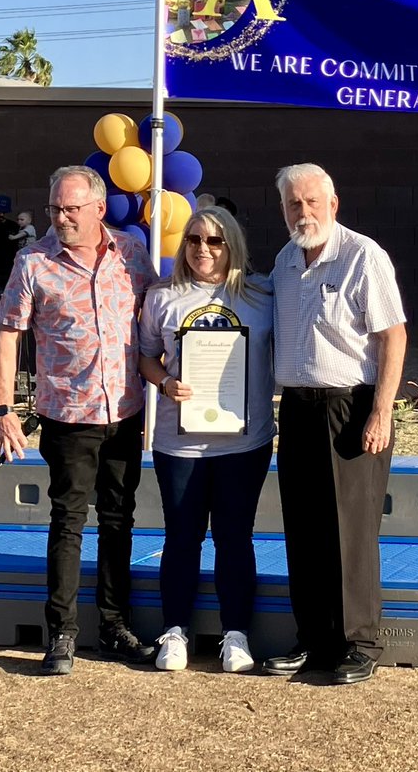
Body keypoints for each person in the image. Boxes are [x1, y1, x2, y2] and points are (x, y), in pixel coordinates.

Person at [0, 165, 159, 676]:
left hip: (125, 412)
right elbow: (7, 335)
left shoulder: (131, 255)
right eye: (54, 208)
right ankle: (61, 633)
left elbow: (158, 315)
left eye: (70, 209)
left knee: (118, 520)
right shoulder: (33, 262)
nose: (60, 217)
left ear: (98, 209)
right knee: (68, 522)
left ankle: (115, 626)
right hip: (67, 415)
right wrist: (3, 410)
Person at [262, 163, 407, 685]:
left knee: (350, 531)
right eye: (293, 204)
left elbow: (394, 337)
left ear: (333, 203)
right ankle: (314, 638)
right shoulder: (282, 261)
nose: (303, 212)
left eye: (311, 202)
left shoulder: (363, 256)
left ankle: (359, 642)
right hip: (298, 409)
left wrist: (381, 411)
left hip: (352, 408)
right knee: (303, 528)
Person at [139, 207, 276, 675]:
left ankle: (234, 634)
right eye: (195, 239)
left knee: (235, 538)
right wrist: (163, 382)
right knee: (181, 537)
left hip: (245, 441)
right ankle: (174, 631)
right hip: (179, 443)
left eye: (215, 241)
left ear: (232, 245)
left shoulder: (262, 295)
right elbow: (145, 357)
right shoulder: (163, 297)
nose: (203, 249)